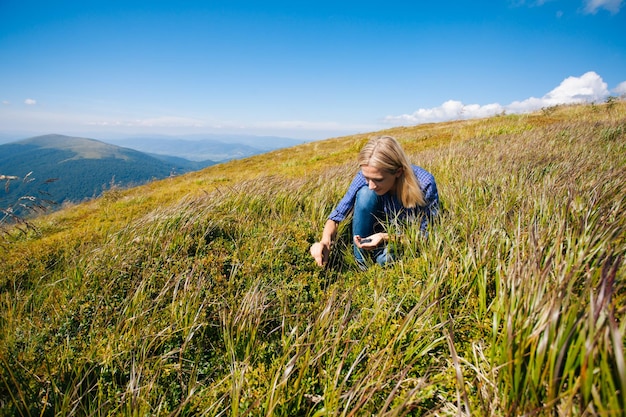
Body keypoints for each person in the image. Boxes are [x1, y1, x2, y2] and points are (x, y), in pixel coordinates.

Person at [310, 135, 439, 269]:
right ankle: (362, 262)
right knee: (365, 193)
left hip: (403, 236)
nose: (371, 185)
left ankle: (379, 262)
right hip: (376, 228)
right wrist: (324, 242)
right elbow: (337, 216)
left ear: (398, 172)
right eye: (367, 178)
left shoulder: (424, 184)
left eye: (378, 180)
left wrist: (385, 237)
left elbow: (427, 236)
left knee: (386, 259)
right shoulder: (366, 176)